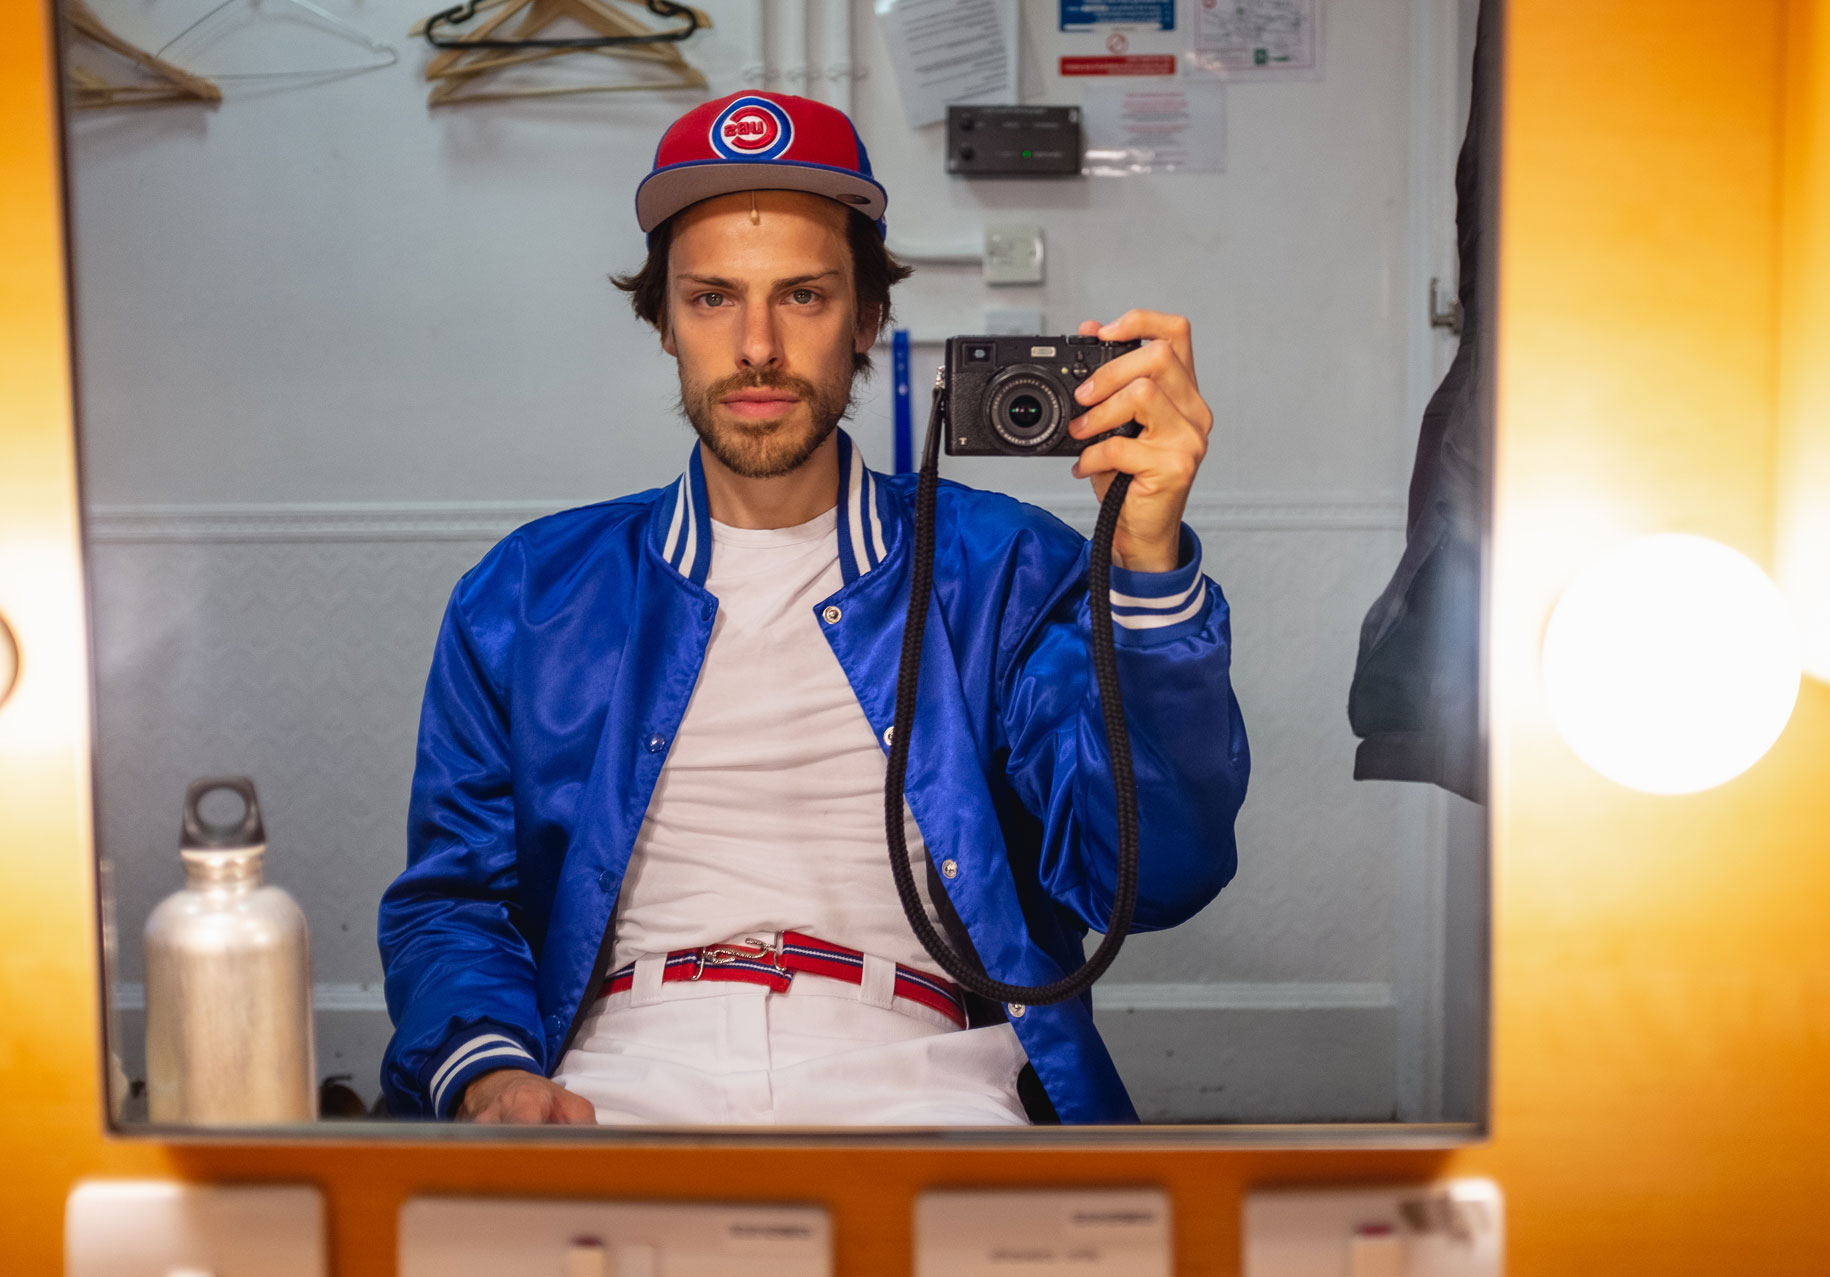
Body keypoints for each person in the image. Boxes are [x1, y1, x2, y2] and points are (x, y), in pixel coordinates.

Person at [377, 91, 1249, 1127]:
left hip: (920, 1071)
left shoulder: (1005, 570)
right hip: (619, 1073)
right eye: (712, 297)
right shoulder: (528, 594)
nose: (757, 345)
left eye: (802, 295)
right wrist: (489, 1075)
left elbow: (1152, 881)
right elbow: (453, 902)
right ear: (664, 321)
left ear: (866, 317)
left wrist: (1144, 563)